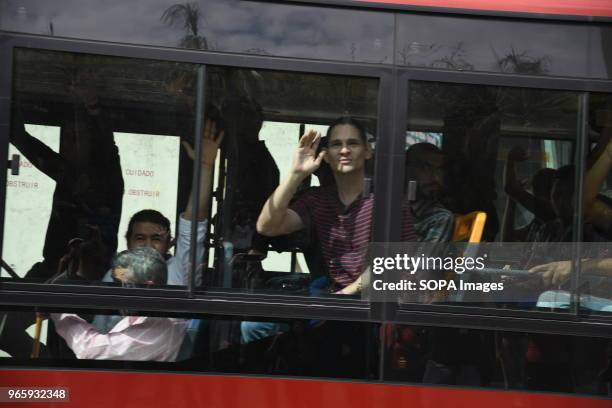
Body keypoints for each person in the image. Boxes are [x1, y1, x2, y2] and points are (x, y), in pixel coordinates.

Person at [257, 116, 417, 295]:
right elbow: (267, 227)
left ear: (367, 151)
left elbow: (398, 262)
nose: (344, 150)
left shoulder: (387, 201)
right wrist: (296, 174)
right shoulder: (317, 200)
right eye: (336, 144)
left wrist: (344, 295)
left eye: (353, 143)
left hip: (376, 308)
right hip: (335, 304)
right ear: (325, 155)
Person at [51, 246, 188, 361]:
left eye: (122, 285)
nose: (116, 291)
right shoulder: (140, 317)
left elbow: (88, 349)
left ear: (148, 288)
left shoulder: (155, 331)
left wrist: (57, 307)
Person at [501, 146, 556, 242]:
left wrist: (510, 161)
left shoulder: (551, 215)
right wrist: (512, 199)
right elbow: (508, 239)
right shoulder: (538, 222)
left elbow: (510, 188)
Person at [405, 143, 454, 243]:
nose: (436, 178)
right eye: (426, 168)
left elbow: (425, 258)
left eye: (439, 170)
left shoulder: (438, 217)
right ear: (407, 170)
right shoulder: (388, 204)